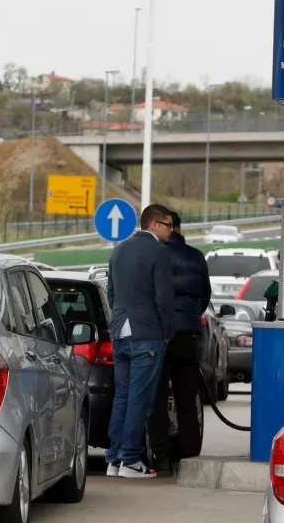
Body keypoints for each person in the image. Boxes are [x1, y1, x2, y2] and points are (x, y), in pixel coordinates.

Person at [105, 203, 175, 478]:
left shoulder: (118, 249)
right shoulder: (159, 252)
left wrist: (118, 319)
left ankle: (113, 459)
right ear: (154, 224)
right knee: (139, 398)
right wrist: (167, 331)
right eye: (168, 225)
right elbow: (164, 298)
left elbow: (111, 292)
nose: (171, 230)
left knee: (121, 396)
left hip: (119, 330)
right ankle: (131, 460)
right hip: (147, 333)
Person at [147, 211, 211, 476]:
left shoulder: (154, 255)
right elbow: (204, 295)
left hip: (160, 337)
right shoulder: (196, 256)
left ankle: (161, 458)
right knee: (187, 399)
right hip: (187, 337)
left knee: (157, 398)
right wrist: (190, 317)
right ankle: (189, 455)